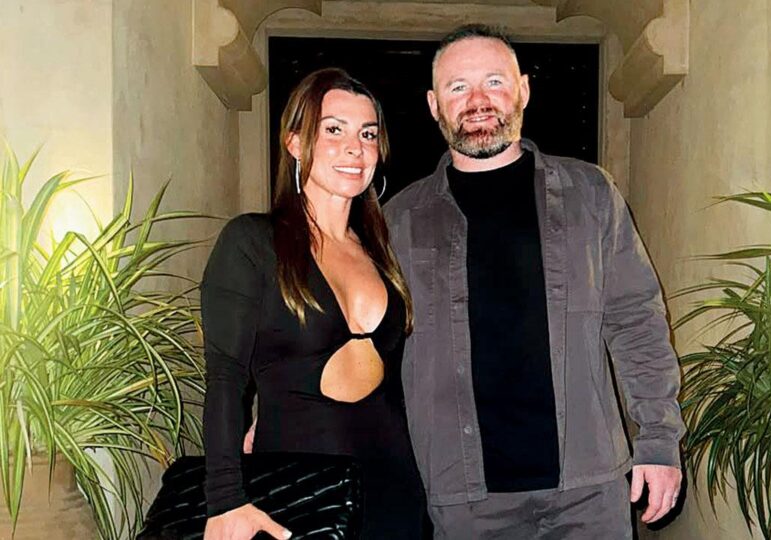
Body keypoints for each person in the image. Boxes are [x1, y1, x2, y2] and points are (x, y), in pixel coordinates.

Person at [382, 25, 685, 538]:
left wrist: (658, 439)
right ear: (434, 105)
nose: (478, 100)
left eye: (494, 81)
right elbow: (367, 346)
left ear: (522, 90)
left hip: (588, 491)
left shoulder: (590, 193)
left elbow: (637, 322)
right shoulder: (399, 220)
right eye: (458, 87)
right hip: (464, 501)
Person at [201, 68, 426, 540]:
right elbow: (225, 377)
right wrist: (225, 500)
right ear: (295, 143)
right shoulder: (252, 243)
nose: (355, 148)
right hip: (297, 497)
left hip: (396, 491)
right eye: (334, 130)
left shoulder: (383, 253)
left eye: (368, 134)